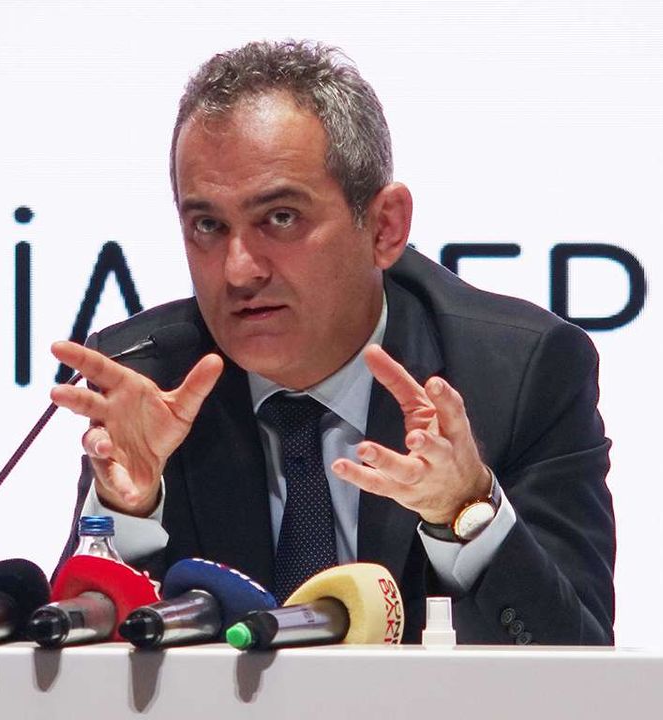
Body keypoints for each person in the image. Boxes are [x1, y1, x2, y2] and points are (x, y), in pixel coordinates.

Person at [49, 40, 614, 645]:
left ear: (386, 227)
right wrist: (130, 511)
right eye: (208, 226)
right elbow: (79, 671)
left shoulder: (519, 375)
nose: (238, 271)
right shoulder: (151, 378)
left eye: (281, 218)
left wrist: (467, 515)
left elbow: (581, 663)